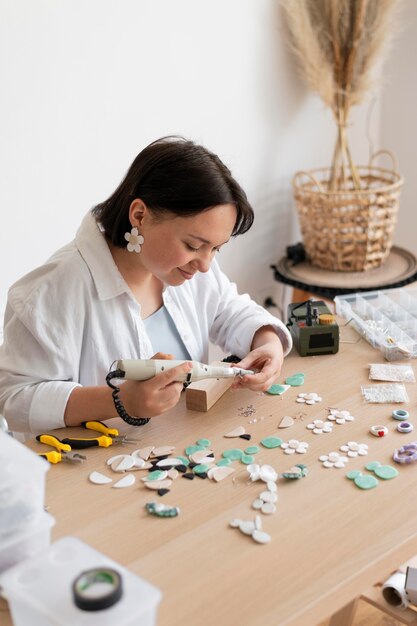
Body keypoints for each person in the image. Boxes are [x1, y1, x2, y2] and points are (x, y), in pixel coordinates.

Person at [0, 136, 292, 436]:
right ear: (139, 215)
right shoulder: (50, 292)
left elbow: (229, 309)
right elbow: (14, 399)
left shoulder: (190, 269)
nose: (205, 264)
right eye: (194, 245)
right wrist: (120, 401)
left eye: (216, 248)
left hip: (178, 452)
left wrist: (268, 342)